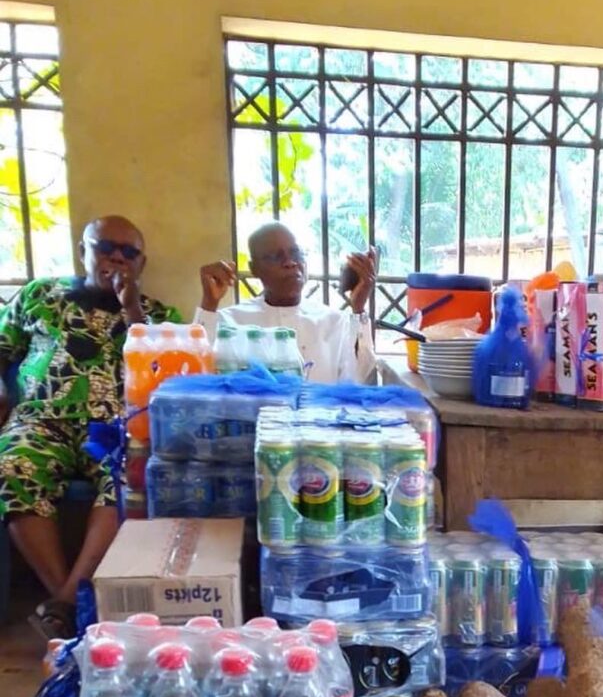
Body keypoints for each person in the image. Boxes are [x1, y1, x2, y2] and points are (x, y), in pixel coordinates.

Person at [0, 216, 180, 639]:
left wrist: (131, 309)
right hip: (40, 422)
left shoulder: (157, 314)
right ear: (84, 251)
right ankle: (68, 601)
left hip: (116, 427)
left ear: (141, 263)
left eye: (129, 252)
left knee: (128, 478)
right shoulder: (40, 295)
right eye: (105, 247)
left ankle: (64, 604)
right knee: (11, 467)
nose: (116, 257)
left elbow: (165, 369)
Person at [195, 223, 378, 382]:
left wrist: (358, 308)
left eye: (296, 253)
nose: (290, 263)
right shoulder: (231, 322)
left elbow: (360, 378)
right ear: (254, 268)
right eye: (275, 256)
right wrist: (209, 304)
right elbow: (197, 376)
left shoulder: (335, 321)